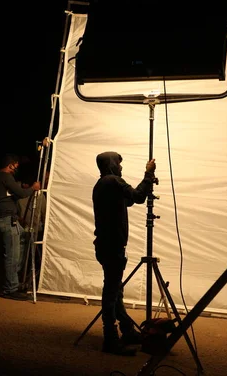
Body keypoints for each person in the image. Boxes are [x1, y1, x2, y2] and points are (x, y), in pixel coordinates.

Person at [92, 151, 156, 356]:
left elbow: (128, 200)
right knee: (111, 293)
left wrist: (145, 184)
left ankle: (127, 331)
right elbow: (137, 197)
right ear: (111, 165)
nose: (121, 168)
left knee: (115, 290)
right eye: (119, 164)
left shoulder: (103, 184)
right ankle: (110, 340)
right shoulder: (113, 180)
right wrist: (147, 175)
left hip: (105, 244)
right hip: (112, 246)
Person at [0, 154, 40, 300]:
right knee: (12, 255)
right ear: (11, 165)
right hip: (7, 219)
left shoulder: (0, 177)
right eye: (16, 166)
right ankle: (10, 288)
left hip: (10, 219)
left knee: (19, 248)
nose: (16, 169)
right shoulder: (5, 176)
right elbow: (20, 193)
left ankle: (13, 282)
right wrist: (33, 188)